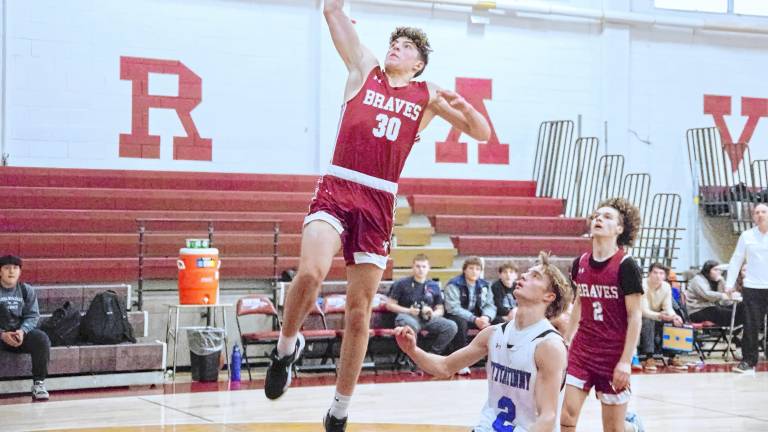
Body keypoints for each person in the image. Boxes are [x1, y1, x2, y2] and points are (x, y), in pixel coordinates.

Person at [263, 1, 491, 430]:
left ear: (419, 63)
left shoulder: (428, 96)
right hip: (338, 184)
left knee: (358, 312)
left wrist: (470, 107)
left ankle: (340, 408)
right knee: (310, 273)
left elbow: (480, 133)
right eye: (395, 43)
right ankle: (286, 348)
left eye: (406, 47)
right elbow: (331, 11)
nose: (396, 49)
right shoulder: (363, 68)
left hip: (379, 200)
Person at [395, 252, 571, 432]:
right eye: (527, 272)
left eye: (535, 276)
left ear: (549, 296)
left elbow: (547, 418)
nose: (524, 275)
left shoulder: (549, 346)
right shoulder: (493, 334)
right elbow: (444, 367)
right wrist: (413, 350)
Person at [560, 198, 645, 432]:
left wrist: (626, 361)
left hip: (613, 355)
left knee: (613, 429)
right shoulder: (581, 262)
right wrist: (566, 340)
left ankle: (632, 428)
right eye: (596, 215)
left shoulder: (627, 266)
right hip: (582, 350)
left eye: (607, 217)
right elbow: (579, 302)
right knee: (567, 417)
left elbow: (635, 316)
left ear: (620, 229)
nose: (598, 219)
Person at [0, 254, 50, 401]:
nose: (11, 271)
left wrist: (22, 331)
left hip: (19, 334)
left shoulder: (26, 290)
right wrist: (2, 335)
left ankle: (39, 383)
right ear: (0, 271)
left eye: (15, 268)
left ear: (20, 271)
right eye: (7, 268)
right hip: (1, 334)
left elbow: (33, 316)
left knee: (41, 339)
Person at [725, 203, 768, 374]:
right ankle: (748, 362)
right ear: (753, 217)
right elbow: (736, 260)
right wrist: (729, 284)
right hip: (752, 287)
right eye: (757, 212)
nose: (760, 215)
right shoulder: (746, 236)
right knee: (751, 326)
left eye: (763, 212)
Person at [385, 254, 457, 355]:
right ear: (412, 267)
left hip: (427, 318)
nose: (421, 269)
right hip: (408, 316)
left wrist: (432, 313)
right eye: (418, 266)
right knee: (411, 325)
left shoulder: (434, 285)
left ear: (428, 268)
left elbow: (440, 309)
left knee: (451, 326)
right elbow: (390, 305)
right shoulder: (401, 283)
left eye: (424, 267)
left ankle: (433, 354)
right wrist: (409, 311)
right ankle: (413, 356)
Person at [444, 256, 496, 374]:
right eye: (471, 268)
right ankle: (460, 363)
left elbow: (490, 305)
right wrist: (474, 319)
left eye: (477, 269)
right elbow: (453, 308)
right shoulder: (454, 284)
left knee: (497, 325)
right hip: (458, 316)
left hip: (479, 317)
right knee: (460, 324)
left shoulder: (485, 285)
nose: (474, 271)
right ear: (464, 270)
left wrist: (486, 317)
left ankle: (494, 361)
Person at [637, 262, 685, 371]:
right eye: (655, 273)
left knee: (675, 322)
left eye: (661, 273)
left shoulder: (666, 286)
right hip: (641, 316)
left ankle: (673, 357)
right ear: (649, 273)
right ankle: (649, 357)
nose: (658, 276)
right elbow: (644, 311)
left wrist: (674, 316)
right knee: (648, 321)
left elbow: (668, 307)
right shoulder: (642, 285)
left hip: (659, 315)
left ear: (665, 276)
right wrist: (660, 316)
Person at [686, 260, 743, 328]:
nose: (718, 272)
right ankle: (741, 323)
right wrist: (723, 295)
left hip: (711, 308)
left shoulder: (715, 280)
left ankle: (743, 323)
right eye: (715, 270)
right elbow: (707, 294)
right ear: (707, 270)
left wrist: (721, 280)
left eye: (719, 270)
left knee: (740, 307)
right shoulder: (698, 279)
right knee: (730, 314)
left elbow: (726, 296)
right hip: (697, 311)